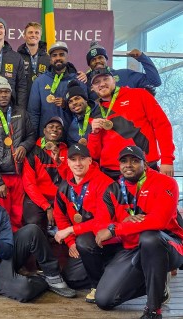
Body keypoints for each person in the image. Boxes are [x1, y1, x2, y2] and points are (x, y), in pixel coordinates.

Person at [94, 146, 183, 319]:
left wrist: (116, 228)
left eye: (135, 161)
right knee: (104, 300)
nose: (129, 165)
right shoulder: (113, 189)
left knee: (150, 237)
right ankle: (158, 286)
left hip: (169, 244)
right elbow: (100, 225)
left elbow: (158, 222)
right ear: (119, 165)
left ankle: (153, 310)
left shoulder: (165, 182)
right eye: (124, 161)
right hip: (132, 247)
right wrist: (120, 225)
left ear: (146, 163)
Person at [52, 143, 118, 292]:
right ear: (67, 162)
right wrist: (70, 243)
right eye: (73, 159)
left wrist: (71, 230)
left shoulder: (104, 183)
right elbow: (60, 216)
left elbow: (103, 222)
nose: (78, 163)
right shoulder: (64, 187)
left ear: (90, 161)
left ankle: (99, 287)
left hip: (109, 239)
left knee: (83, 241)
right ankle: (107, 272)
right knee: (72, 280)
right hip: (84, 242)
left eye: (82, 159)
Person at [88, 68, 174, 179]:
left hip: (144, 167)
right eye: (97, 82)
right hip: (112, 173)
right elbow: (95, 154)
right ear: (92, 88)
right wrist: (94, 133)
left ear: (114, 80)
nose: (102, 84)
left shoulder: (139, 95)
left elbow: (162, 126)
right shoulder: (95, 112)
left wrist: (167, 159)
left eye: (106, 79)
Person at [0, 76, 35, 230]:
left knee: (18, 214)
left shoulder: (21, 113)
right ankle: (5, 246)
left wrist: (24, 146)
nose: (3, 95)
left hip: (20, 174)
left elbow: (31, 136)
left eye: (6, 92)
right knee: (2, 216)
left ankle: (17, 246)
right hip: (1, 176)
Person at [27, 41, 86, 136]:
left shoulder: (78, 80)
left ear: (67, 57)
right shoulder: (39, 82)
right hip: (47, 138)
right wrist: (33, 138)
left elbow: (85, 111)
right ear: (50, 59)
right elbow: (33, 113)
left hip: (72, 137)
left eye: (61, 55)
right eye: (54, 55)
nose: (58, 58)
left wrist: (66, 106)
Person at [22, 116, 68, 234]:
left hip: (60, 198)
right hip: (39, 198)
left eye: (58, 128)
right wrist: (47, 206)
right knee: (34, 224)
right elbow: (29, 184)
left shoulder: (67, 151)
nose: (54, 130)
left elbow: (71, 179)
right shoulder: (33, 151)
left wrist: (58, 162)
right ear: (44, 131)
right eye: (51, 127)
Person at [85, 42, 161, 98]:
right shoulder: (86, 83)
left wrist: (142, 58)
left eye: (100, 57)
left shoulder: (124, 75)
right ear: (89, 64)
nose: (97, 61)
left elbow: (155, 82)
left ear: (106, 59)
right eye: (93, 60)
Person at [16, 22, 50, 102]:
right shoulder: (17, 57)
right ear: (24, 36)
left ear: (40, 36)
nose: (33, 35)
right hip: (22, 102)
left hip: (42, 101)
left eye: (36, 33)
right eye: (30, 32)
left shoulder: (48, 58)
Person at [65, 80, 98, 145]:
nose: (74, 103)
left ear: (85, 99)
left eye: (77, 98)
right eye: (70, 102)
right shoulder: (72, 128)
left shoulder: (101, 112)